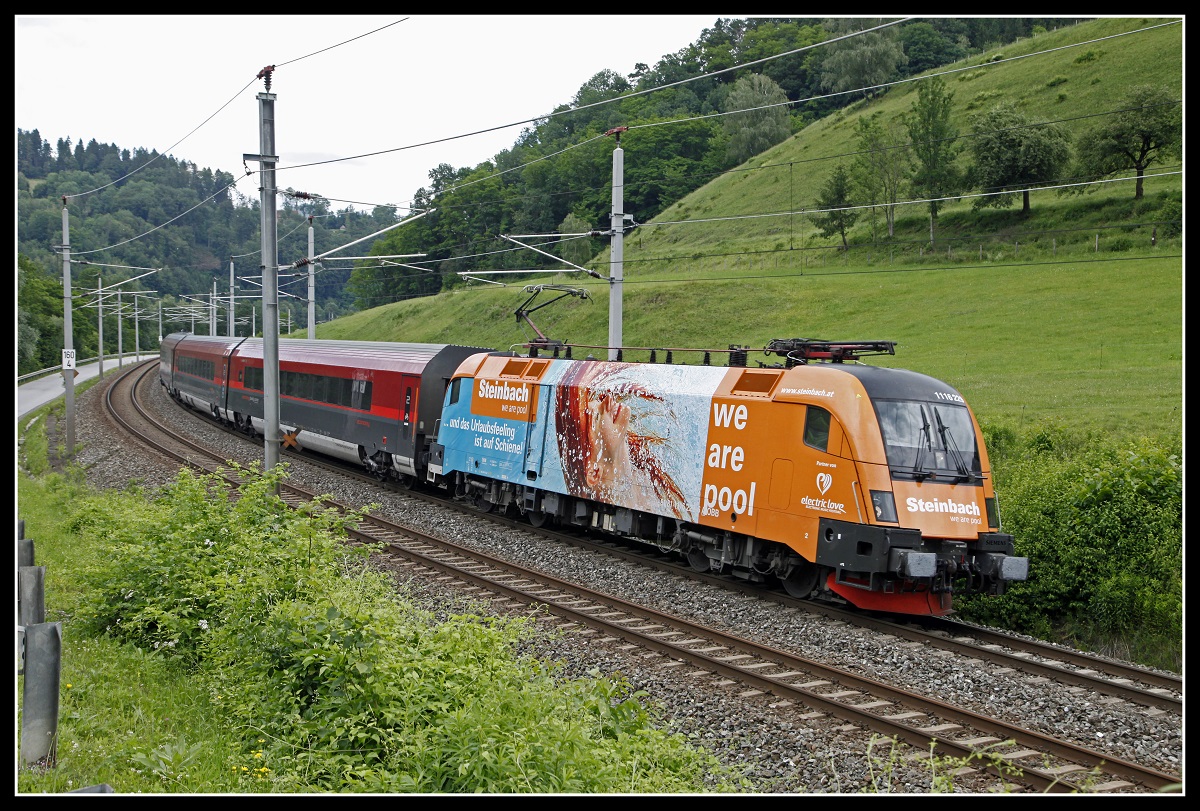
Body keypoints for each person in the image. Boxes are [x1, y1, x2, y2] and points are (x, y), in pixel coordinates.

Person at [554, 360, 689, 518]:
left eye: (598, 402)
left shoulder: (649, 482)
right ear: (594, 472)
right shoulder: (653, 489)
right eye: (597, 416)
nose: (608, 400)